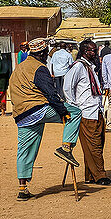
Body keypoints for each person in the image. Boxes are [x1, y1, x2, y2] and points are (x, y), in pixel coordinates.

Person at [9, 38, 78, 200]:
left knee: (24, 150)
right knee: (74, 113)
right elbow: (51, 93)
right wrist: (63, 112)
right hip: (37, 110)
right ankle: (66, 147)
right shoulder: (39, 68)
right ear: (42, 53)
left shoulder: (20, 67)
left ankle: (22, 188)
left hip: (21, 114)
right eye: (46, 52)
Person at [63, 39, 111, 185]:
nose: (94, 52)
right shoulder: (78, 66)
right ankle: (100, 175)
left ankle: (91, 175)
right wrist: (74, 107)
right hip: (85, 112)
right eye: (91, 50)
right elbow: (67, 88)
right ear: (84, 51)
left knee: (96, 145)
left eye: (95, 50)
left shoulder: (91, 67)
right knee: (94, 146)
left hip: (96, 110)